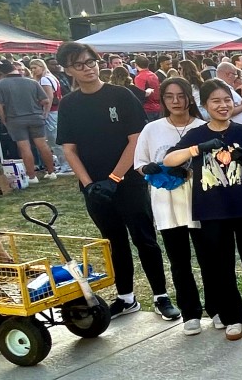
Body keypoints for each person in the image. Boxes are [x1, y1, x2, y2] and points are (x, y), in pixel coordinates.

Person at [56, 42, 174, 320]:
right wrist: (89, 185)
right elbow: (69, 149)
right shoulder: (69, 104)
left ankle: (161, 296)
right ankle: (126, 297)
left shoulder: (121, 95)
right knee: (113, 242)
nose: (88, 69)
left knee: (144, 239)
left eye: (91, 62)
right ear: (68, 70)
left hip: (129, 182)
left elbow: (136, 140)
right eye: (79, 65)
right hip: (95, 188)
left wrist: (114, 178)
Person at [164, 78, 242, 341]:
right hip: (211, 212)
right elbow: (169, 160)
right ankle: (232, 317)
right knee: (221, 266)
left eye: (227, 100)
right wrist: (196, 149)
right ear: (204, 105)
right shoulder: (197, 134)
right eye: (216, 101)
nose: (223, 106)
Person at [135, 77, 210, 335]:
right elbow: (140, 163)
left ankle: (217, 308)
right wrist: (151, 169)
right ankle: (190, 313)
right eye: (169, 96)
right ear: (162, 100)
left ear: (190, 97)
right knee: (179, 261)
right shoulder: (152, 129)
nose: (176, 101)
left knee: (209, 258)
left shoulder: (203, 127)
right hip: (166, 202)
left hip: (199, 200)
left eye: (181, 95)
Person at [0, 60, 56, 184]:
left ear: (2, 73)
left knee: (24, 148)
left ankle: (32, 176)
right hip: (36, 117)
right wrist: (42, 112)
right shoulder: (32, 82)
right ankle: (51, 172)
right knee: (43, 145)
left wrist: (4, 119)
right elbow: (46, 101)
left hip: (15, 119)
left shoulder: (0, 85)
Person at [29, 58, 66, 173]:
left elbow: (48, 98)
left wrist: (45, 113)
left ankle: (65, 165)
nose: (33, 70)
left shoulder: (45, 79)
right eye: (32, 68)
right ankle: (62, 163)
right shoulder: (50, 77)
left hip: (51, 112)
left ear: (42, 67)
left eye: (35, 67)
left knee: (54, 139)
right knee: (53, 139)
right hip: (54, 111)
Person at [214, 62, 242, 129]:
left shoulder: (225, 87)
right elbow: (225, 111)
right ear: (229, 74)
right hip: (236, 130)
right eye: (235, 75)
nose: (236, 78)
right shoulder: (220, 89)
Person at [133, 55, 162, 122]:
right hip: (158, 107)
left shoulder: (139, 77)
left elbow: (141, 94)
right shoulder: (153, 75)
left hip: (147, 109)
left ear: (136, 65)